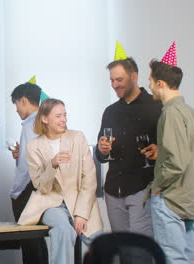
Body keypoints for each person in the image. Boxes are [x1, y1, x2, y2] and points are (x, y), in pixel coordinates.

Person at [19, 99, 103, 264]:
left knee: (101, 243)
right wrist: (52, 164)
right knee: (63, 230)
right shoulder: (33, 147)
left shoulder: (77, 137)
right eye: (58, 116)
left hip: (80, 201)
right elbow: (40, 186)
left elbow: (90, 178)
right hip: (51, 204)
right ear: (44, 119)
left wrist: (81, 214)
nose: (63, 119)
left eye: (64, 115)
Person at [96, 44, 162, 236]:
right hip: (113, 190)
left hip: (143, 188)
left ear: (134, 76)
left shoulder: (156, 107)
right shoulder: (110, 111)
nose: (114, 84)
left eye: (119, 79)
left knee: (140, 249)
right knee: (123, 248)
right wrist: (102, 150)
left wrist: (159, 150)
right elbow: (100, 156)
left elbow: (171, 150)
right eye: (111, 80)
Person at [146, 44, 194, 264]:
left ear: (160, 83)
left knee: (174, 259)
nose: (148, 86)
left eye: (149, 81)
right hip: (188, 198)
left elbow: (177, 162)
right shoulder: (187, 111)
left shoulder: (171, 113)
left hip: (171, 199)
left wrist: (156, 188)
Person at [9, 82, 48, 264]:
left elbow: (29, 164)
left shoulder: (30, 123)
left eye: (16, 104)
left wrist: (16, 191)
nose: (16, 109)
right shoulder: (44, 119)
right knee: (37, 240)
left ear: (23, 100)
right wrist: (20, 153)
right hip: (41, 187)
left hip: (28, 188)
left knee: (29, 243)